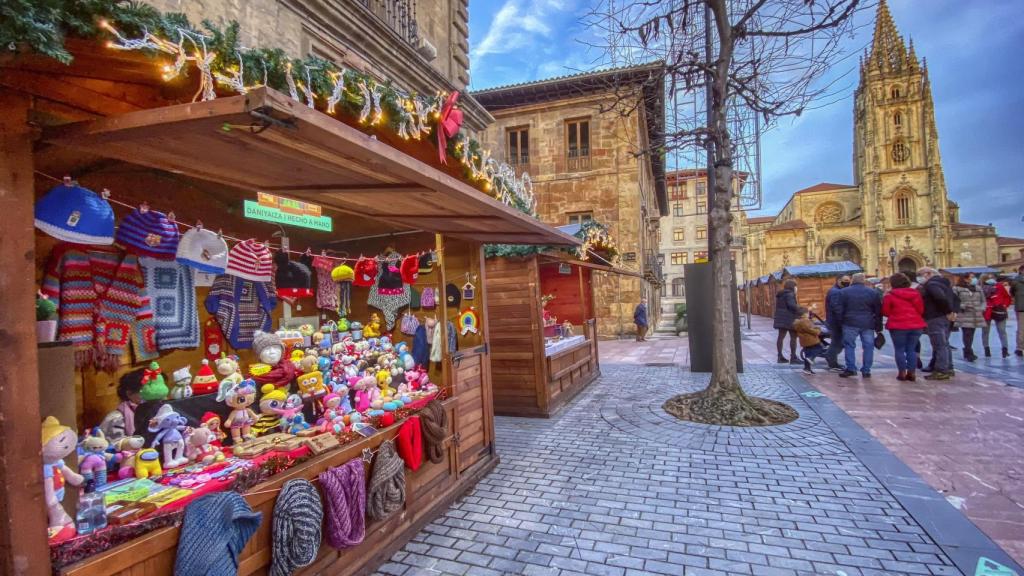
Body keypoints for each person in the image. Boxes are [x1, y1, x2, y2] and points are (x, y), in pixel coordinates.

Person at [836, 273, 882, 378]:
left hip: (849, 322)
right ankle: (866, 370)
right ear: (864, 280)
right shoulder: (872, 292)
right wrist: (878, 327)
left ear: (852, 280)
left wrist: (840, 322)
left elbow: (839, 309)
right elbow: (878, 311)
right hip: (868, 323)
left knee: (849, 345)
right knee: (868, 347)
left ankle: (851, 368)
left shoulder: (843, 292)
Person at [882, 273, 926, 381]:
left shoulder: (889, 295)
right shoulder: (915, 294)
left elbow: (885, 312)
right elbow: (920, 310)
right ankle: (912, 372)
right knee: (911, 349)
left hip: (898, 325)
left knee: (899, 349)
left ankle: (902, 372)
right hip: (916, 325)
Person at [918, 267, 956, 380]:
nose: (919, 277)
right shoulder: (945, 284)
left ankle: (941, 370)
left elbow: (940, 297)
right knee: (944, 343)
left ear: (928, 274)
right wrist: (951, 311)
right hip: (943, 317)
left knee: (939, 344)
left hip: (935, 316)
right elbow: (956, 299)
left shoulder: (932, 285)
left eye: (920, 274)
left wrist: (948, 311)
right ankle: (949, 367)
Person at [953, 274, 986, 362]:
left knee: (971, 334)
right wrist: (963, 306)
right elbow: (953, 301)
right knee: (967, 333)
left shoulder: (978, 288)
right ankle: (969, 352)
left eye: (973, 277)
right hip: (964, 314)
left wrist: (982, 308)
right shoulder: (957, 289)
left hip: (976, 314)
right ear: (965, 279)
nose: (973, 279)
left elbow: (983, 300)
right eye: (971, 277)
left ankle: (967, 350)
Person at [825, 275, 851, 371]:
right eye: (845, 280)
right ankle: (831, 361)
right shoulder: (836, 292)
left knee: (838, 342)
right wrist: (841, 322)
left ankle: (832, 360)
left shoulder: (837, 291)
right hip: (836, 322)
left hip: (834, 321)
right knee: (837, 342)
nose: (847, 282)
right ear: (838, 280)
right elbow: (837, 308)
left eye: (848, 280)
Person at [982, 274, 1012, 358]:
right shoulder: (982, 288)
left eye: (992, 277)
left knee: (1002, 331)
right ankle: (986, 349)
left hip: (999, 310)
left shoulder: (999, 286)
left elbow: (1007, 297)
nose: (991, 279)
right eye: (989, 278)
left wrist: (1004, 305)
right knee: (985, 331)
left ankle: (1005, 349)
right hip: (987, 311)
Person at [773, 279, 801, 364]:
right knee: (793, 337)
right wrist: (800, 309)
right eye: (795, 286)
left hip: (780, 318)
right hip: (789, 318)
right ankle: (793, 357)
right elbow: (792, 306)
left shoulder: (781, 294)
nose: (796, 288)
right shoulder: (790, 294)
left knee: (780, 337)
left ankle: (780, 356)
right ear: (793, 287)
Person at [793, 307, 825, 375]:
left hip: (804, 340)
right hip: (811, 339)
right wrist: (818, 330)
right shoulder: (804, 321)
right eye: (807, 313)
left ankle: (807, 369)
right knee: (820, 348)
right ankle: (812, 358)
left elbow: (807, 327)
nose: (808, 314)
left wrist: (811, 320)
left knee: (807, 354)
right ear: (804, 314)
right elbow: (810, 329)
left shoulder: (799, 321)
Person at [1011, 265, 1024, 356]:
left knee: (1021, 328)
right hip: (1020, 307)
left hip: (1020, 307)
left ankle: (1020, 348)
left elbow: (1011, 292)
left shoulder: (1015, 281)